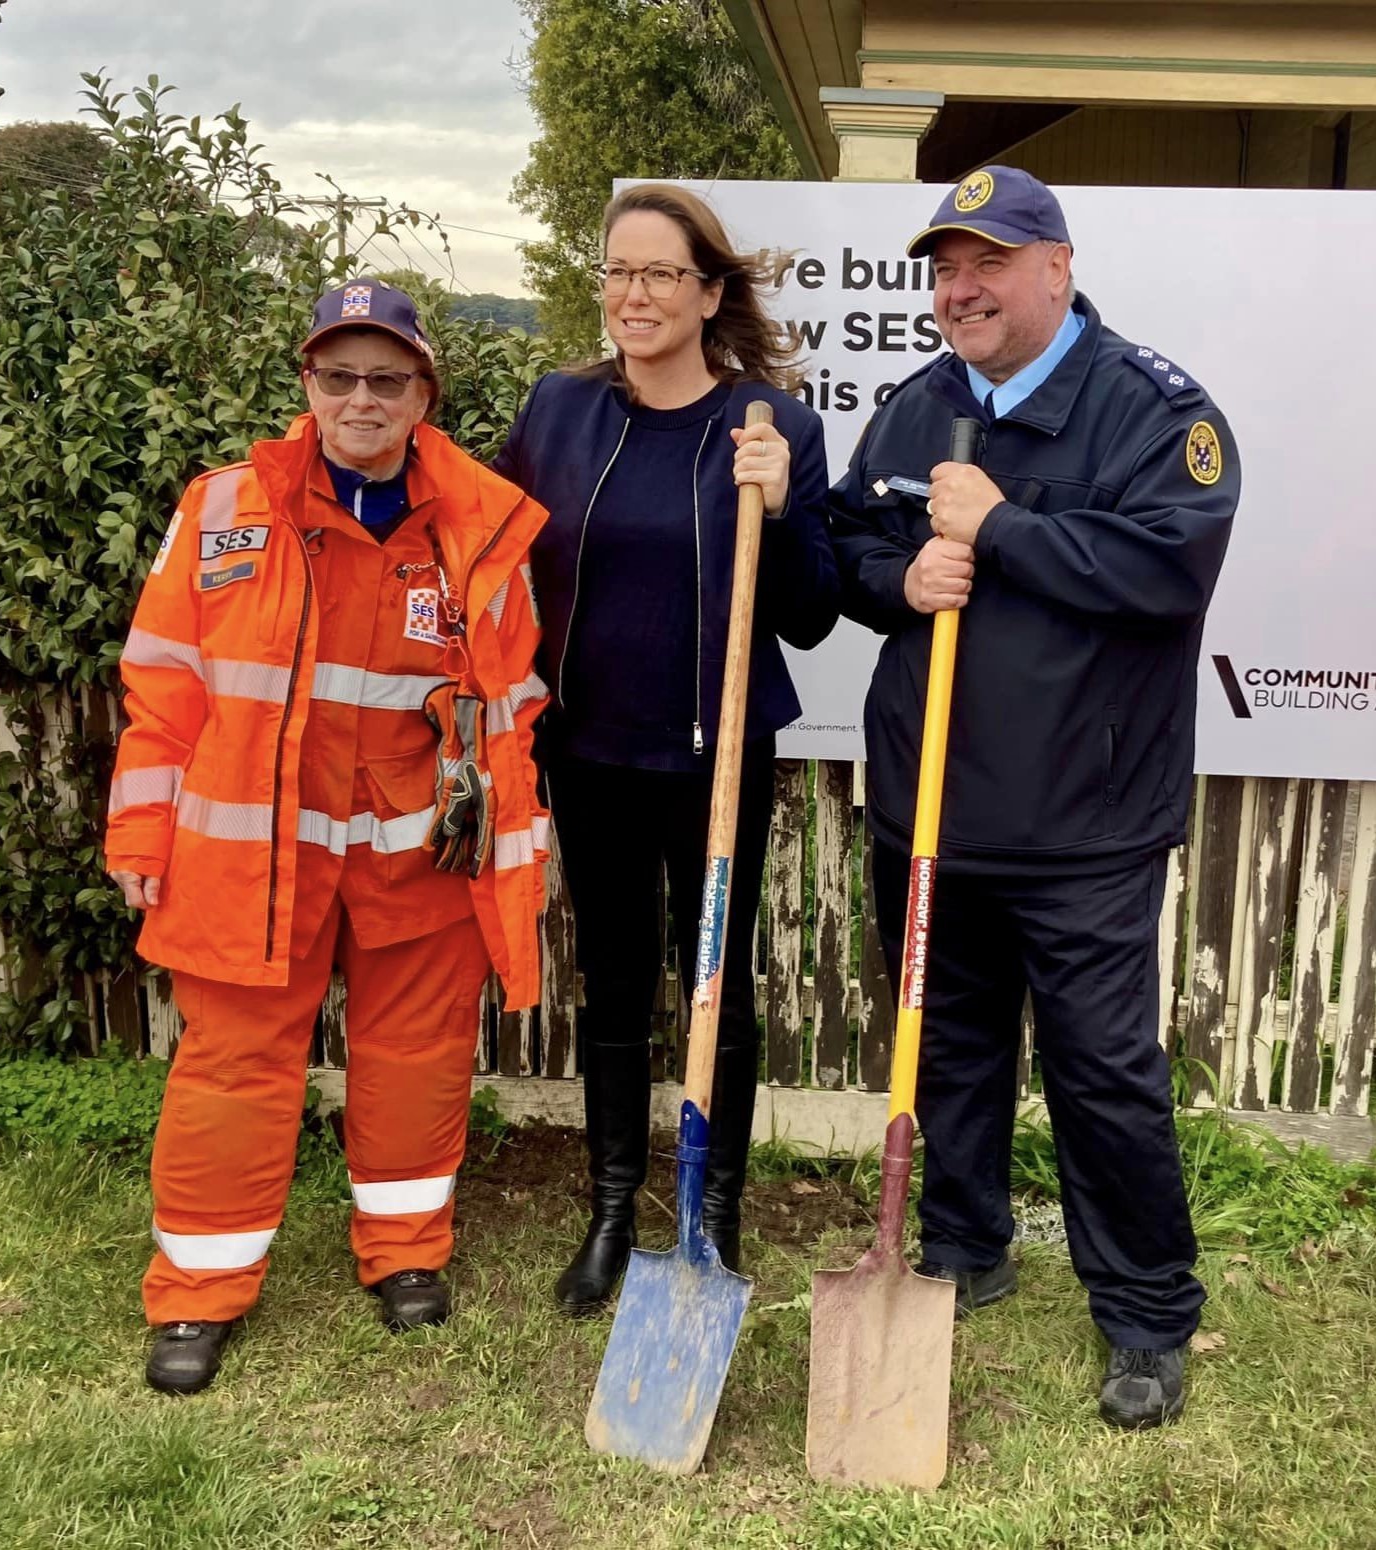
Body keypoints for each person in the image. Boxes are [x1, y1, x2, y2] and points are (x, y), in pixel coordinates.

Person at [828, 166, 1238, 1429]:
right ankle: (960, 1242)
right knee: (944, 1046)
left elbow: (1168, 567)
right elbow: (847, 543)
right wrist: (899, 585)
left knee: (1099, 1068)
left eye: (988, 261)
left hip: (1083, 820)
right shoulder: (915, 407)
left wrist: (1000, 528)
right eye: (944, 267)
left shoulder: (1147, 412)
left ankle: (1144, 1311)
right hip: (931, 807)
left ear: (1055, 267)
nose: (961, 288)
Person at [105, 278, 550, 1394]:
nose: (362, 397)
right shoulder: (219, 511)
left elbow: (513, 702)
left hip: (414, 853)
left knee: (416, 1056)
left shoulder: (481, 523)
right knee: (229, 1069)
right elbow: (161, 687)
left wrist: (512, 845)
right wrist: (143, 832)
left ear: (423, 392)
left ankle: (406, 1252)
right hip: (253, 852)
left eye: (385, 377)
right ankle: (198, 1291)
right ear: (307, 384)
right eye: (338, 375)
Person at [493, 183, 839, 1313]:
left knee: (711, 988)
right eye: (616, 271)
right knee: (613, 979)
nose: (631, 294)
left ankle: (711, 1215)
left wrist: (781, 511)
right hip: (588, 751)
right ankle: (608, 1206)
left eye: (656, 274)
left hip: (718, 763)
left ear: (706, 292)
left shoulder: (769, 426)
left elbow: (807, 615)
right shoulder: (555, 411)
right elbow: (480, 543)